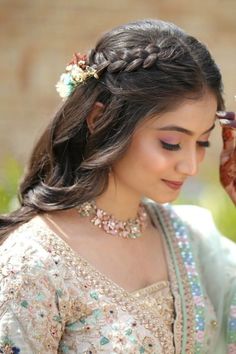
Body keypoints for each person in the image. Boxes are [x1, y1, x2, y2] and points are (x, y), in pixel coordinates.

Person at [0, 19, 235, 354]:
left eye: (203, 143)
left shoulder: (188, 238)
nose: (192, 166)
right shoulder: (33, 262)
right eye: (171, 143)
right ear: (99, 119)